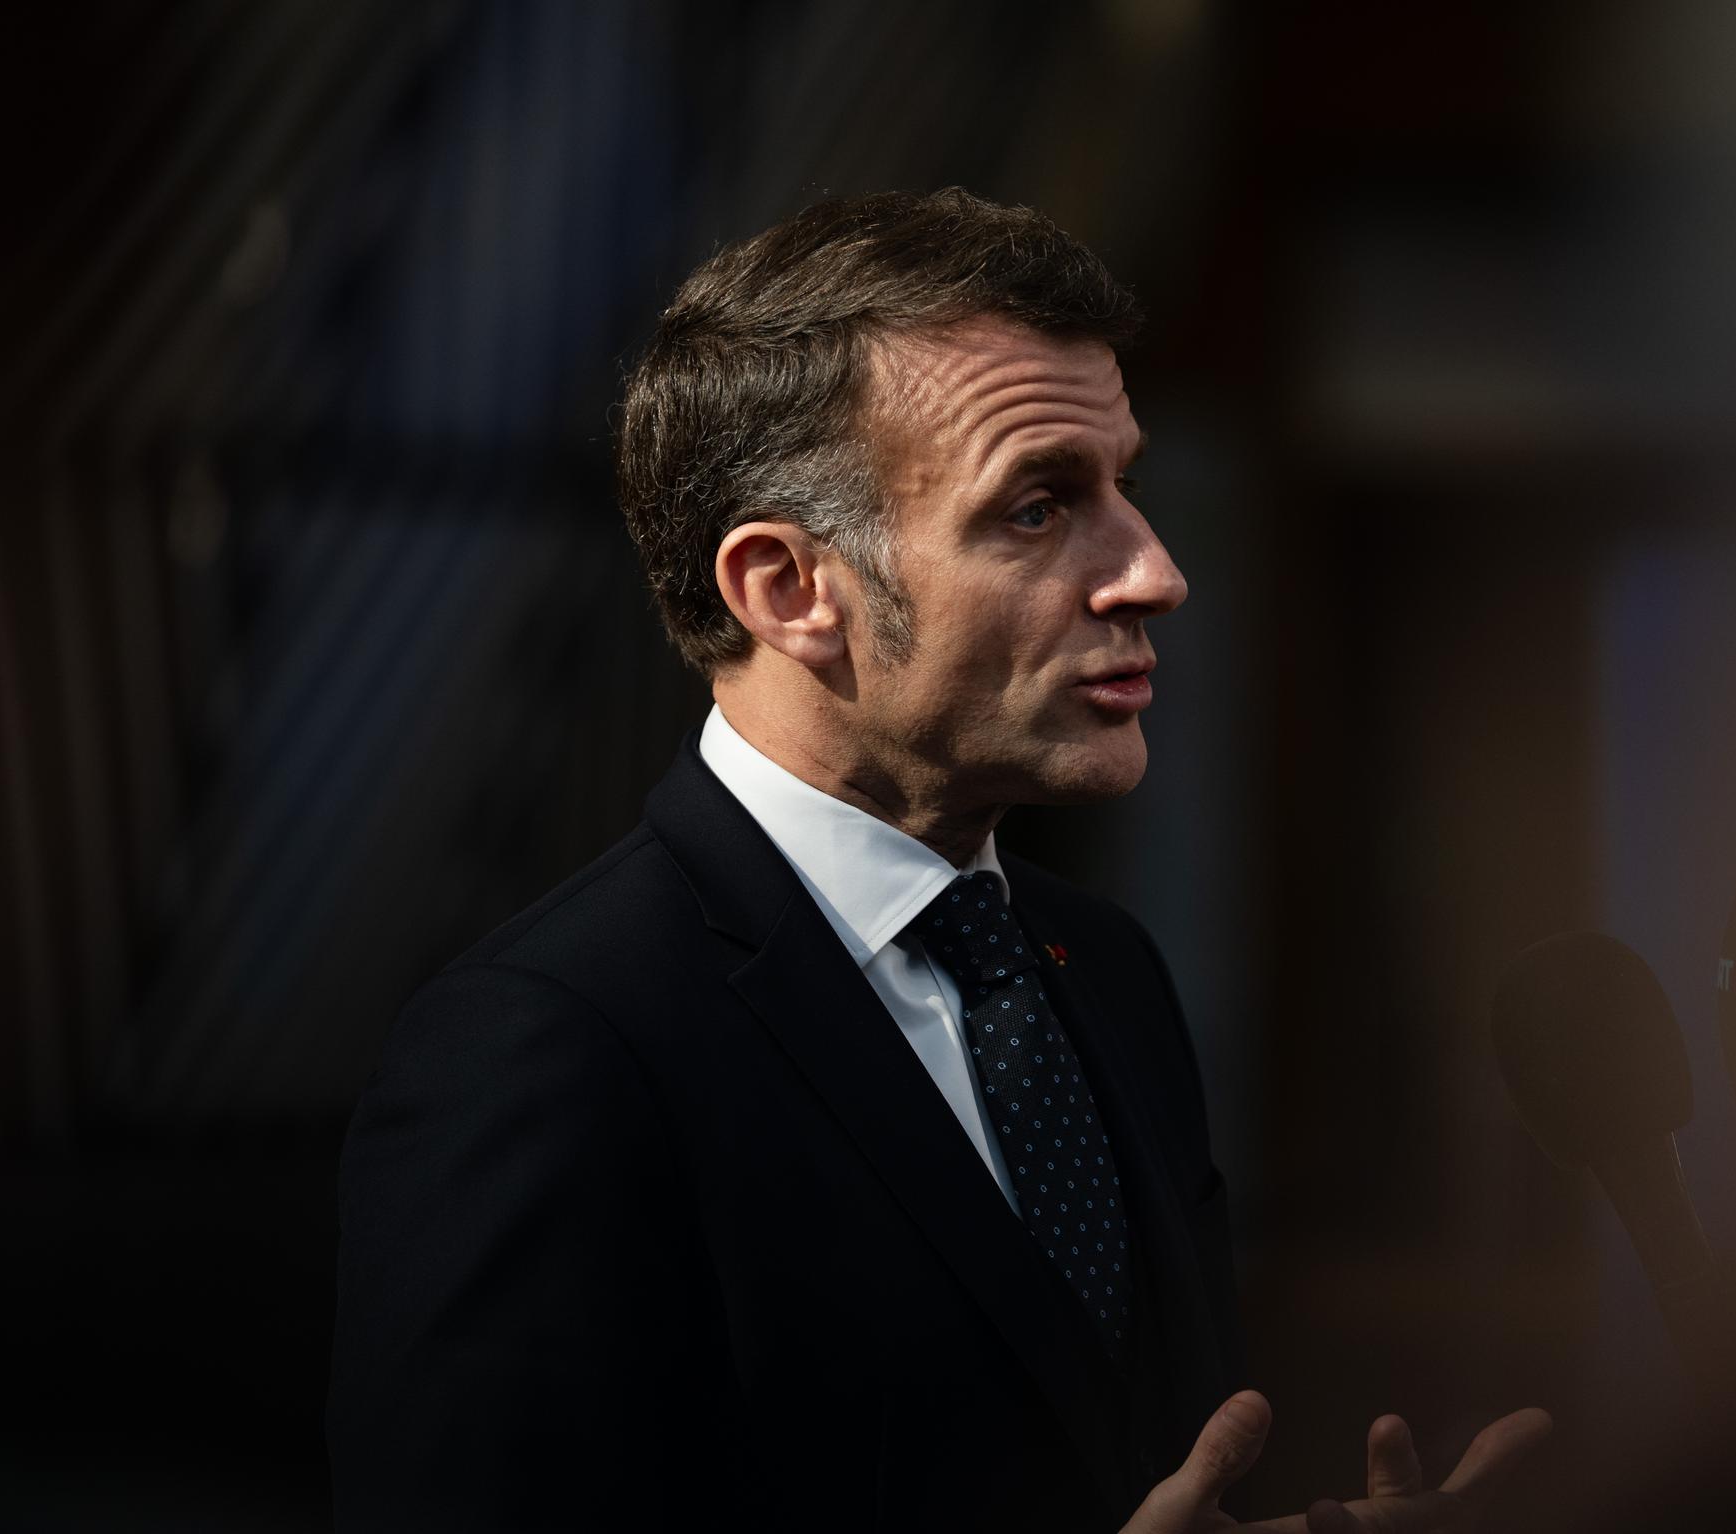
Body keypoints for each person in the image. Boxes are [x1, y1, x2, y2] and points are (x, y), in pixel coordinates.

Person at [326, 188, 1547, 1532]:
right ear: (788, 588)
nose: (1151, 571)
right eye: (1036, 505)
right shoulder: (548, 1047)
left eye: (1123, 484)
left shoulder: (1107, 973)